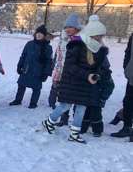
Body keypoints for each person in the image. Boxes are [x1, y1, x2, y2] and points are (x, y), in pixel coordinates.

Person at [42, 16, 109, 144]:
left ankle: (74, 133)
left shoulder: (96, 49)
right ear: (92, 34)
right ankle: (48, 122)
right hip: (71, 83)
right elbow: (70, 67)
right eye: (98, 36)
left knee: (81, 109)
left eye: (101, 36)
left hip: (85, 85)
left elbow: (96, 68)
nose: (100, 39)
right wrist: (87, 75)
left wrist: (96, 75)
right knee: (64, 106)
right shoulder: (76, 45)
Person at [48, 14, 82, 125]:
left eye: (70, 27)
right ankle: (64, 119)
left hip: (75, 74)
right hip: (61, 72)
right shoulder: (63, 39)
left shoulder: (81, 40)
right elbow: (58, 57)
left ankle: (76, 122)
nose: (67, 29)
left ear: (76, 28)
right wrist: (56, 73)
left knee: (76, 99)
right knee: (63, 97)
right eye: (66, 27)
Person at [9, 25, 53, 109]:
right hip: (27, 69)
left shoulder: (47, 47)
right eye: (37, 33)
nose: (38, 35)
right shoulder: (29, 44)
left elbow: (49, 62)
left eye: (41, 34)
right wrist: (19, 66)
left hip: (38, 71)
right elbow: (23, 56)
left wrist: (46, 73)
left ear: (44, 36)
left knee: (36, 88)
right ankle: (18, 100)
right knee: (21, 85)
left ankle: (33, 103)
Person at [111, 31, 133, 139]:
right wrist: (126, 68)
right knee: (128, 102)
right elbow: (128, 52)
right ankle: (127, 127)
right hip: (132, 75)